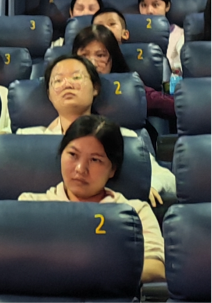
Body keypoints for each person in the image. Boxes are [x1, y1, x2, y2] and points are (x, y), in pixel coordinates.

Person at [19, 115, 165, 283]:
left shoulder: (134, 211)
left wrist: (88, 275)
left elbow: (156, 268)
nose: (81, 169)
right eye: (73, 154)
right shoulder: (29, 205)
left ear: (112, 169)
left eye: (95, 160)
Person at [17, 54, 175, 206]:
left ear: (95, 88)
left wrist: (150, 186)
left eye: (76, 77)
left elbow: (168, 179)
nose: (67, 84)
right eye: (58, 80)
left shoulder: (125, 137)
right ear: (49, 95)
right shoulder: (27, 139)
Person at [73, 25, 174, 120]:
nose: (92, 63)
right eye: (84, 56)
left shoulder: (129, 88)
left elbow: (173, 106)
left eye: (100, 55)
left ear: (113, 58)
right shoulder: (67, 86)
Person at [139, 0, 183, 73]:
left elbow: (180, 69)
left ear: (167, 6)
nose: (149, 11)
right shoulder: (133, 36)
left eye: (155, 5)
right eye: (144, 5)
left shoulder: (179, 35)